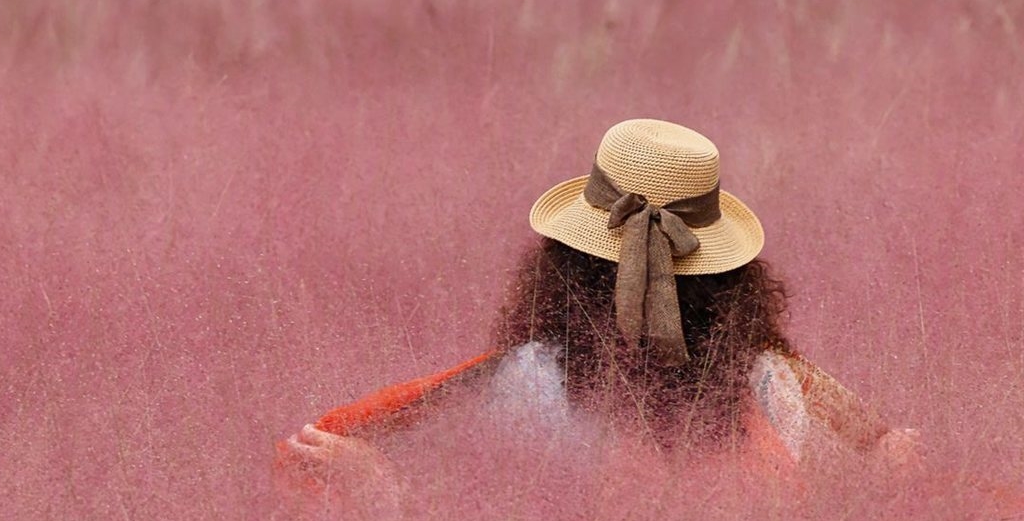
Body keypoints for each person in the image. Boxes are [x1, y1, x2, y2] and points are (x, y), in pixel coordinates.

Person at [277, 119, 919, 493]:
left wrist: (381, 492)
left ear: (565, 267)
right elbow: (871, 431)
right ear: (729, 282)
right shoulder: (774, 383)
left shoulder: (523, 385)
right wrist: (892, 452)